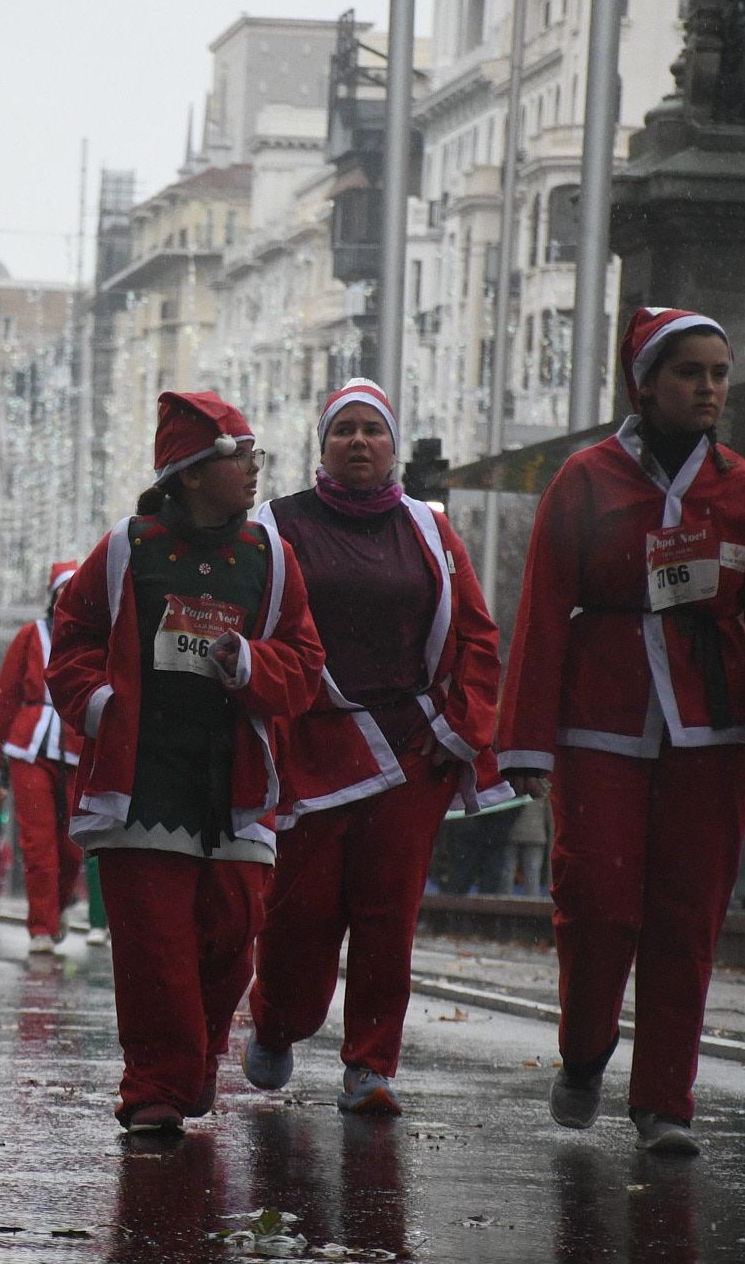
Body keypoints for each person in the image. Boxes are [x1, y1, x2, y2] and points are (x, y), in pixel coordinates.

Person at [498, 307, 745, 1155]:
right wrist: (523, 742)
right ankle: (586, 1049)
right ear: (646, 384)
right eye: (689, 372)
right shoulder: (586, 479)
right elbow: (545, 612)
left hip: (714, 726)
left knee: (686, 912)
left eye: (718, 373)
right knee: (595, 900)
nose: (707, 388)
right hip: (603, 718)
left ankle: (665, 1099)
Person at [47, 391, 324, 1134]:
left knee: (232, 942)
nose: (255, 468)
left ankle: (192, 1065)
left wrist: (250, 665)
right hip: (141, 784)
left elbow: (304, 659)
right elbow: (70, 644)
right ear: (195, 473)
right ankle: (154, 1091)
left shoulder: (272, 557)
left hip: (237, 784)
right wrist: (102, 706)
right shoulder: (124, 548)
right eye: (241, 456)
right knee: (156, 951)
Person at [242, 378, 510, 1115]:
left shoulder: (429, 527)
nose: (359, 441)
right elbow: (254, 628)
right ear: (321, 446)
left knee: (388, 917)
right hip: (313, 751)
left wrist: (460, 727)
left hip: (411, 754)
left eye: (373, 430)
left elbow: (478, 635)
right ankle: (278, 1018)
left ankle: (370, 1064)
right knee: (301, 915)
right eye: (344, 430)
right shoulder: (276, 524)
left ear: (392, 446)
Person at [0, 563, 87, 954]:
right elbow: (5, 698)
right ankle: (41, 927)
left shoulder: (96, 639)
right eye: (62, 591)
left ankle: (56, 909)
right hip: (29, 748)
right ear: (52, 596)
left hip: (77, 748)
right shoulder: (30, 636)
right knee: (38, 842)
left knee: (74, 845)